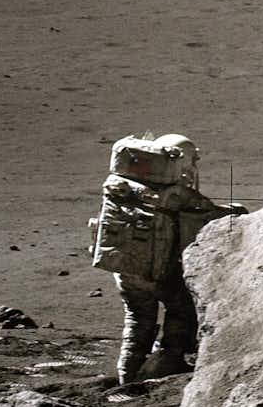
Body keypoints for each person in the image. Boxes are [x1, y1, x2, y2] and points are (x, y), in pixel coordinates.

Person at [89, 133, 248, 388]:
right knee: (182, 310)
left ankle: (126, 376)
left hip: (126, 269)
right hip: (159, 272)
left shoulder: (126, 188)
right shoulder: (176, 193)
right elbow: (209, 212)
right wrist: (237, 211)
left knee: (138, 319)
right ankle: (166, 362)